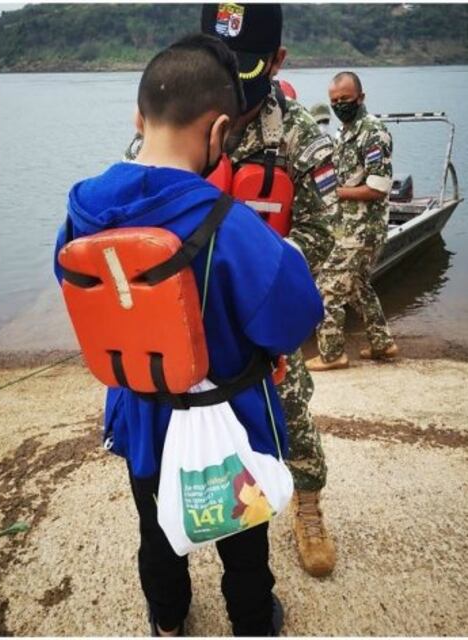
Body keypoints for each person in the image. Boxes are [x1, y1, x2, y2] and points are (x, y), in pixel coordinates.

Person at [56, 34, 324, 635]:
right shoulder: (229, 226)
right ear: (220, 131)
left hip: (141, 414)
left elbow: (75, 284)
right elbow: (295, 317)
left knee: (155, 532)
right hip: (231, 420)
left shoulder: (81, 212)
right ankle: (254, 621)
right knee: (243, 542)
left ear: (138, 117)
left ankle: (169, 619)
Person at [126, 3, 339, 577]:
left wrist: (275, 279)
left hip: (264, 313)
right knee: (180, 420)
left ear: (276, 62)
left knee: (288, 411)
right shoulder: (177, 113)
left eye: (243, 68)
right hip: (185, 318)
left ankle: (307, 502)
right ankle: (181, 519)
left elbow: (326, 230)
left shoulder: (299, 136)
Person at [307, 72, 398, 371]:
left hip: (363, 229)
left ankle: (332, 354)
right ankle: (382, 343)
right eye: (334, 101)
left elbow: (378, 187)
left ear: (361, 97)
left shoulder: (373, 132)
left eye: (345, 99)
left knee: (327, 287)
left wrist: (336, 193)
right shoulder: (344, 134)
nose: (339, 105)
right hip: (346, 226)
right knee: (358, 286)